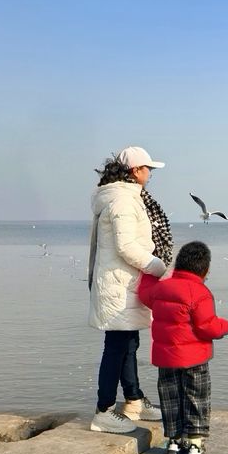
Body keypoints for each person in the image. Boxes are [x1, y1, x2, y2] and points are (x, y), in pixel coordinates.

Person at [88, 146, 173, 434]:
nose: (151, 174)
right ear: (136, 170)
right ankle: (104, 410)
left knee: (129, 344)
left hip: (125, 284)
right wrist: (157, 266)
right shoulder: (123, 202)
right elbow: (126, 247)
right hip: (119, 286)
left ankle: (134, 401)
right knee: (116, 347)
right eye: (148, 169)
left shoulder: (123, 197)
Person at [138, 241, 228, 454]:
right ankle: (195, 445)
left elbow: (144, 295)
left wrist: (150, 272)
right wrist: (225, 326)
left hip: (165, 360)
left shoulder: (161, 289)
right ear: (205, 270)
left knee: (170, 398)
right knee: (196, 397)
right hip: (194, 360)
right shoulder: (200, 292)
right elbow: (206, 326)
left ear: (177, 265)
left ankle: (173, 442)